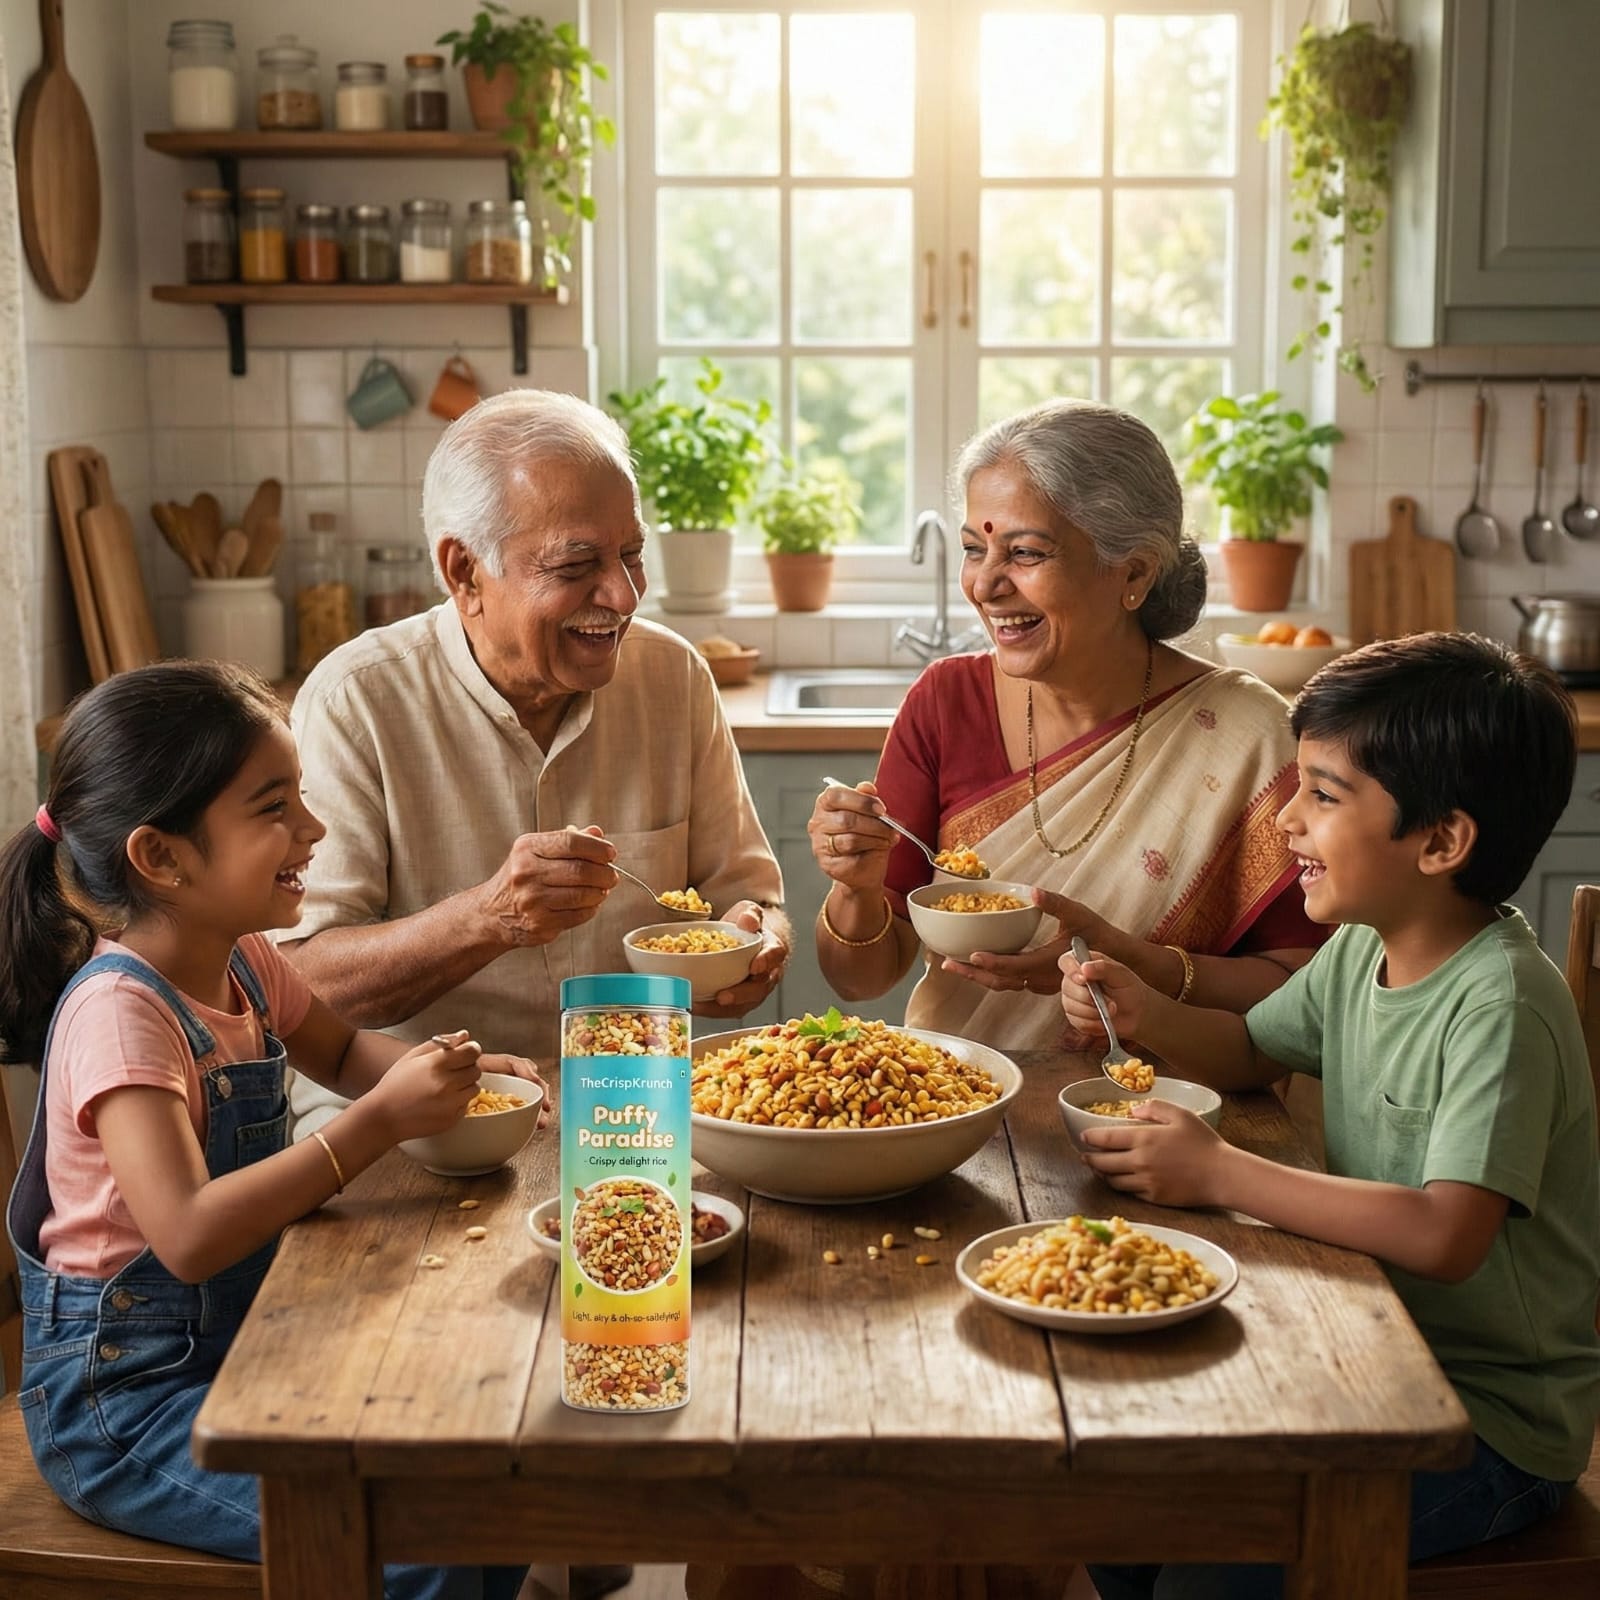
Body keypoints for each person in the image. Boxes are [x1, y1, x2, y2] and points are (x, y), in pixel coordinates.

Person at [1061, 633, 1600, 1599]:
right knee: (1117, 1496)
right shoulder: (1363, 945)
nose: (1286, 817)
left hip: (1486, 1426)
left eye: (1322, 794)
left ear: (1441, 842)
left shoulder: (1502, 1005)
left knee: (1207, 1576)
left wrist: (1223, 1172)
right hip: (1360, 1350)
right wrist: (1146, 1013)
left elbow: (1446, 1235)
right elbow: (1252, 1048)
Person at [0, 662, 547, 1600]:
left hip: (242, 1345)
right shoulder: (121, 1014)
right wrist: (378, 1124)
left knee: (484, 1468)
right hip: (125, 1406)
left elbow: (340, 1053)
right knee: (427, 1538)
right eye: (273, 808)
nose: (314, 829)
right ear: (162, 857)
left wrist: (459, 1071)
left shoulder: (246, 960)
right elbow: (191, 1235)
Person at [283, 388, 788, 1143]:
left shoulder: (673, 676)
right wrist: (486, 918)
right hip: (413, 1123)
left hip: (640, 1096)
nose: (622, 594)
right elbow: (302, 987)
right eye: (578, 562)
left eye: (631, 555)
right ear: (464, 572)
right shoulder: (355, 701)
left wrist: (755, 939)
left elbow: (749, 900)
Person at [809, 400, 1322, 1053]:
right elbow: (859, 978)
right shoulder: (944, 703)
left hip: (1167, 1118)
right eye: (974, 549)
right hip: (953, 1102)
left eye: (1024, 552)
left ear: (1132, 572)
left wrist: (1124, 958)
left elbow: (1306, 989)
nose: (985, 584)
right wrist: (853, 888)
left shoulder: (1248, 733)